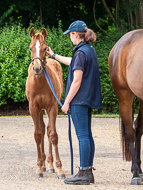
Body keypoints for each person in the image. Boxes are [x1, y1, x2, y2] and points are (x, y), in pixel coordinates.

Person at [47, 20, 102, 185]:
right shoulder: (88, 50)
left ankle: (83, 172)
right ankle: (88, 172)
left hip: (79, 100)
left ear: (75, 34)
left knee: (82, 136)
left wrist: (66, 102)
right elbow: (72, 62)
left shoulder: (80, 53)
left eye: (70, 34)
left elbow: (76, 81)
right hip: (87, 99)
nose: (69, 38)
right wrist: (54, 56)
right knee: (88, 135)